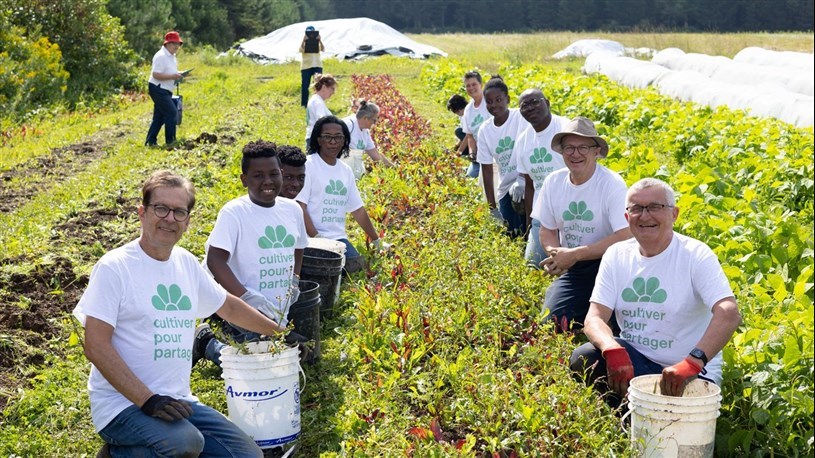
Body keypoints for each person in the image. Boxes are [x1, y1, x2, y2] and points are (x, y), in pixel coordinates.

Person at [73, 170, 286, 457]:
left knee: (248, 455)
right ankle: (114, 454)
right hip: (122, 404)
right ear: (142, 212)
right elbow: (95, 345)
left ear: (187, 221)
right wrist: (147, 400)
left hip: (178, 402)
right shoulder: (116, 267)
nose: (170, 218)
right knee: (184, 443)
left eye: (179, 211)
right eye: (161, 208)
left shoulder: (185, 263)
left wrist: (280, 333)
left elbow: (229, 306)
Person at [570, 178, 742, 406]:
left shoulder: (696, 255)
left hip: (690, 372)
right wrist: (611, 347)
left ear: (674, 214)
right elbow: (595, 317)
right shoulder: (616, 254)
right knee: (585, 357)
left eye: (655, 207)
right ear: (626, 217)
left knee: (677, 427)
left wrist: (693, 362)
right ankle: (629, 412)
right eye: (636, 209)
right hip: (636, 363)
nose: (645, 215)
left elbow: (729, 313)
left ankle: (643, 414)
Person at [196, 140, 309, 368]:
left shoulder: (292, 210)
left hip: (278, 307)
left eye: (273, 174)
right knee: (257, 366)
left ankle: (270, 335)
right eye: (258, 176)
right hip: (241, 309)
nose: (267, 181)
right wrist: (246, 297)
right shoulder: (235, 213)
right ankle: (206, 342)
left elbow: (299, 247)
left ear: (281, 173)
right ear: (244, 179)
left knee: (290, 360)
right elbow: (215, 261)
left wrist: (295, 280)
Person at [530, 116, 632, 331]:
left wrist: (575, 254)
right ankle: (585, 308)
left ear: (596, 151)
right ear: (561, 152)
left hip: (611, 266)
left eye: (583, 147)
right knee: (551, 324)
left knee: (621, 327)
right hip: (576, 269)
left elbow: (625, 235)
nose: (575, 154)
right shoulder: (553, 182)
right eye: (569, 148)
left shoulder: (611, 184)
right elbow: (547, 228)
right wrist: (556, 253)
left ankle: (599, 312)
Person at [296, 115, 390, 273]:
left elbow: (358, 210)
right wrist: (318, 238)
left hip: (338, 240)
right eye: (327, 137)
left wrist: (376, 240)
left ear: (345, 140)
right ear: (318, 140)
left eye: (338, 137)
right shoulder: (309, 165)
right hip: (311, 239)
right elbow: (300, 206)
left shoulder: (345, 171)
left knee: (355, 267)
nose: (333, 142)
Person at [515, 89, 568, 266]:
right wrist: (530, 222)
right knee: (532, 266)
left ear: (547, 102)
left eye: (535, 102)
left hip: (572, 211)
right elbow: (530, 184)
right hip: (543, 214)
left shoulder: (565, 129)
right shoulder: (523, 140)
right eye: (524, 105)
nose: (530, 108)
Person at [476, 76, 528, 238]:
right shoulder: (485, 130)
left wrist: (522, 178)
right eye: (489, 101)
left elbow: (530, 148)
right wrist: (492, 207)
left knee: (529, 228)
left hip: (528, 182)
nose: (494, 105)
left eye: (498, 99)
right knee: (512, 233)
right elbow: (486, 170)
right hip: (506, 186)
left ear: (508, 99)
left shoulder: (520, 117)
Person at [145, 31, 185, 147]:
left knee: (160, 116)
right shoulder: (161, 56)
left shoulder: (171, 56)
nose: (176, 46)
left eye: (178, 44)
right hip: (158, 88)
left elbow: (169, 71)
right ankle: (170, 141)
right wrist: (172, 76)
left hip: (166, 89)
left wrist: (178, 74)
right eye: (174, 43)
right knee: (171, 112)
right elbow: (156, 74)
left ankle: (150, 141)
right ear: (166, 44)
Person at [342, 99, 395, 167]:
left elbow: (375, 154)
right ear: (365, 118)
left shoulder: (365, 131)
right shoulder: (347, 125)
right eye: (374, 120)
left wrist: (393, 167)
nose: (375, 123)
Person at [460, 71, 491, 178]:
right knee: (470, 176)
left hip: (495, 151)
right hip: (480, 154)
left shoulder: (490, 102)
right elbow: (470, 137)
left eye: (474, 84)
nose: (471, 88)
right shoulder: (468, 110)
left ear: (481, 85)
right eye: (468, 86)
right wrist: (472, 154)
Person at [305, 73, 337, 147]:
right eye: (332, 88)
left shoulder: (316, 100)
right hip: (317, 139)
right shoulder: (318, 102)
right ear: (324, 87)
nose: (333, 92)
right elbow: (322, 121)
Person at [299, 25, 325, 107]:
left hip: (317, 65)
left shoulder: (317, 43)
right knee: (305, 86)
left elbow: (323, 49)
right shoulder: (304, 43)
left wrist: (320, 40)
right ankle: (304, 104)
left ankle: (317, 103)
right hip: (306, 66)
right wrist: (303, 41)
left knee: (318, 85)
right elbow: (300, 50)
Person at [446, 94, 469, 158]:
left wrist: (459, 152)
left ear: (458, 109)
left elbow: (468, 136)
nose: (457, 113)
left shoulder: (467, 115)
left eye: (455, 111)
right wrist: (456, 146)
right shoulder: (462, 115)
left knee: (458, 131)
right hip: (471, 140)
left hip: (476, 140)